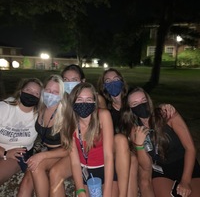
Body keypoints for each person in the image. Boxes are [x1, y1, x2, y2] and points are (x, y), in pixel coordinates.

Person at [98, 68, 176, 197]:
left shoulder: (133, 101)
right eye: (108, 81)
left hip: (140, 146)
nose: (113, 83)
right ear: (104, 86)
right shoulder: (106, 109)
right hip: (117, 149)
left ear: (122, 82)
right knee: (132, 159)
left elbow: (148, 108)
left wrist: (164, 106)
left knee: (143, 174)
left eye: (116, 79)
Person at [127, 87, 200, 197]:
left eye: (143, 100)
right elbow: (146, 166)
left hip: (185, 163)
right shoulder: (135, 130)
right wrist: (139, 145)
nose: (141, 105)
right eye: (135, 103)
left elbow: (190, 148)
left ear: (149, 101)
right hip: (162, 171)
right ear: (130, 109)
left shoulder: (167, 114)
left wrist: (185, 181)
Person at [17, 74, 70, 197]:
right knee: (25, 183)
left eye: (55, 92)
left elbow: (69, 149)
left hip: (65, 153)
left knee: (36, 166)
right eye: (48, 90)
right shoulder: (41, 108)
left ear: (62, 95)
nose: (50, 94)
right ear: (43, 91)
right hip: (48, 150)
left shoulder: (66, 114)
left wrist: (42, 155)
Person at [61, 82, 114, 197]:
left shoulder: (103, 116)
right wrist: (80, 191)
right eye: (79, 99)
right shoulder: (69, 123)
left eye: (89, 99)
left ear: (95, 102)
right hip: (85, 171)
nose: (84, 103)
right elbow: (75, 162)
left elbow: (108, 155)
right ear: (73, 102)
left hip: (105, 169)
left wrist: (107, 191)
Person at [0, 78, 42, 185]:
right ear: (20, 91)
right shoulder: (5, 107)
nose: (31, 94)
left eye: (36, 93)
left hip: (17, 155)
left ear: (40, 98)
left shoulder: (40, 115)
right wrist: (4, 153)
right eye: (28, 90)